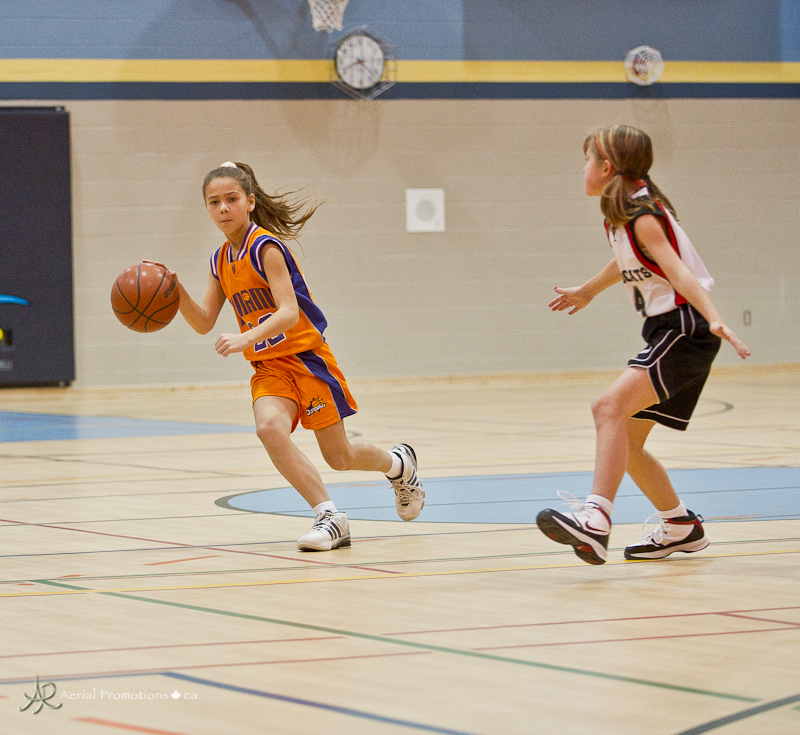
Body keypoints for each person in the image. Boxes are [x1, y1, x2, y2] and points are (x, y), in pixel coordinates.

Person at [157, 161, 424, 551]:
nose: (223, 208)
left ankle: (399, 465)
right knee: (268, 428)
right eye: (214, 202)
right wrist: (175, 290)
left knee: (340, 457)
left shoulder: (265, 248)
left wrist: (245, 337)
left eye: (231, 199)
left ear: (250, 202)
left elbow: (289, 313)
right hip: (269, 368)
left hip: (306, 360)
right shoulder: (219, 260)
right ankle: (330, 517)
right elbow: (203, 322)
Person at [536, 125, 750, 565]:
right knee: (627, 443)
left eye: (587, 161)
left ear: (606, 167)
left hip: (685, 329)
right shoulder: (625, 215)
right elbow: (626, 261)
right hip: (670, 330)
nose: (582, 169)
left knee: (607, 407)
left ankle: (595, 520)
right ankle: (680, 526)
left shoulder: (643, 215)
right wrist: (588, 291)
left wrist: (715, 318)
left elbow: (679, 272)